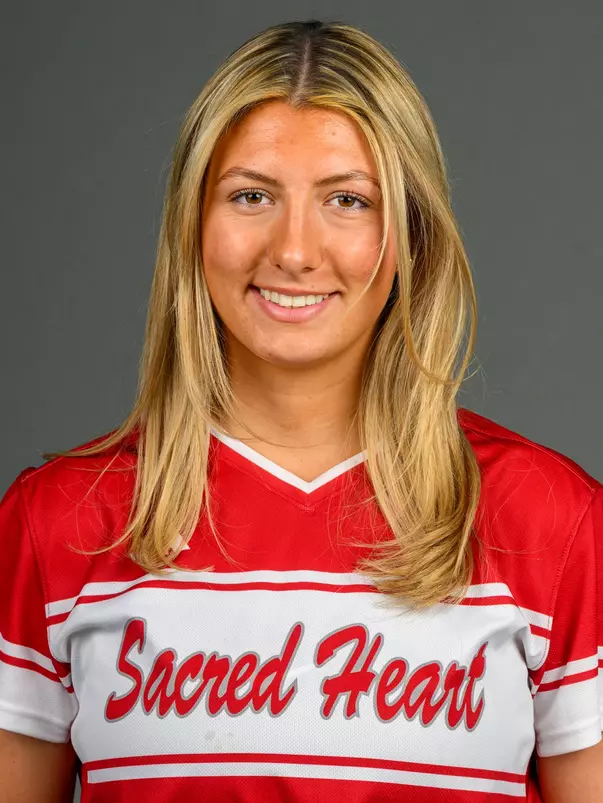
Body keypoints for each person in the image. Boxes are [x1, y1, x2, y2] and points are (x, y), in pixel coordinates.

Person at [0, 18, 601, 803]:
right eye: (251, 195)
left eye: (347, 200)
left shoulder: (549, 522)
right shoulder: (57, 522)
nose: (291, 250)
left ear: (410, 234)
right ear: (192, 224)